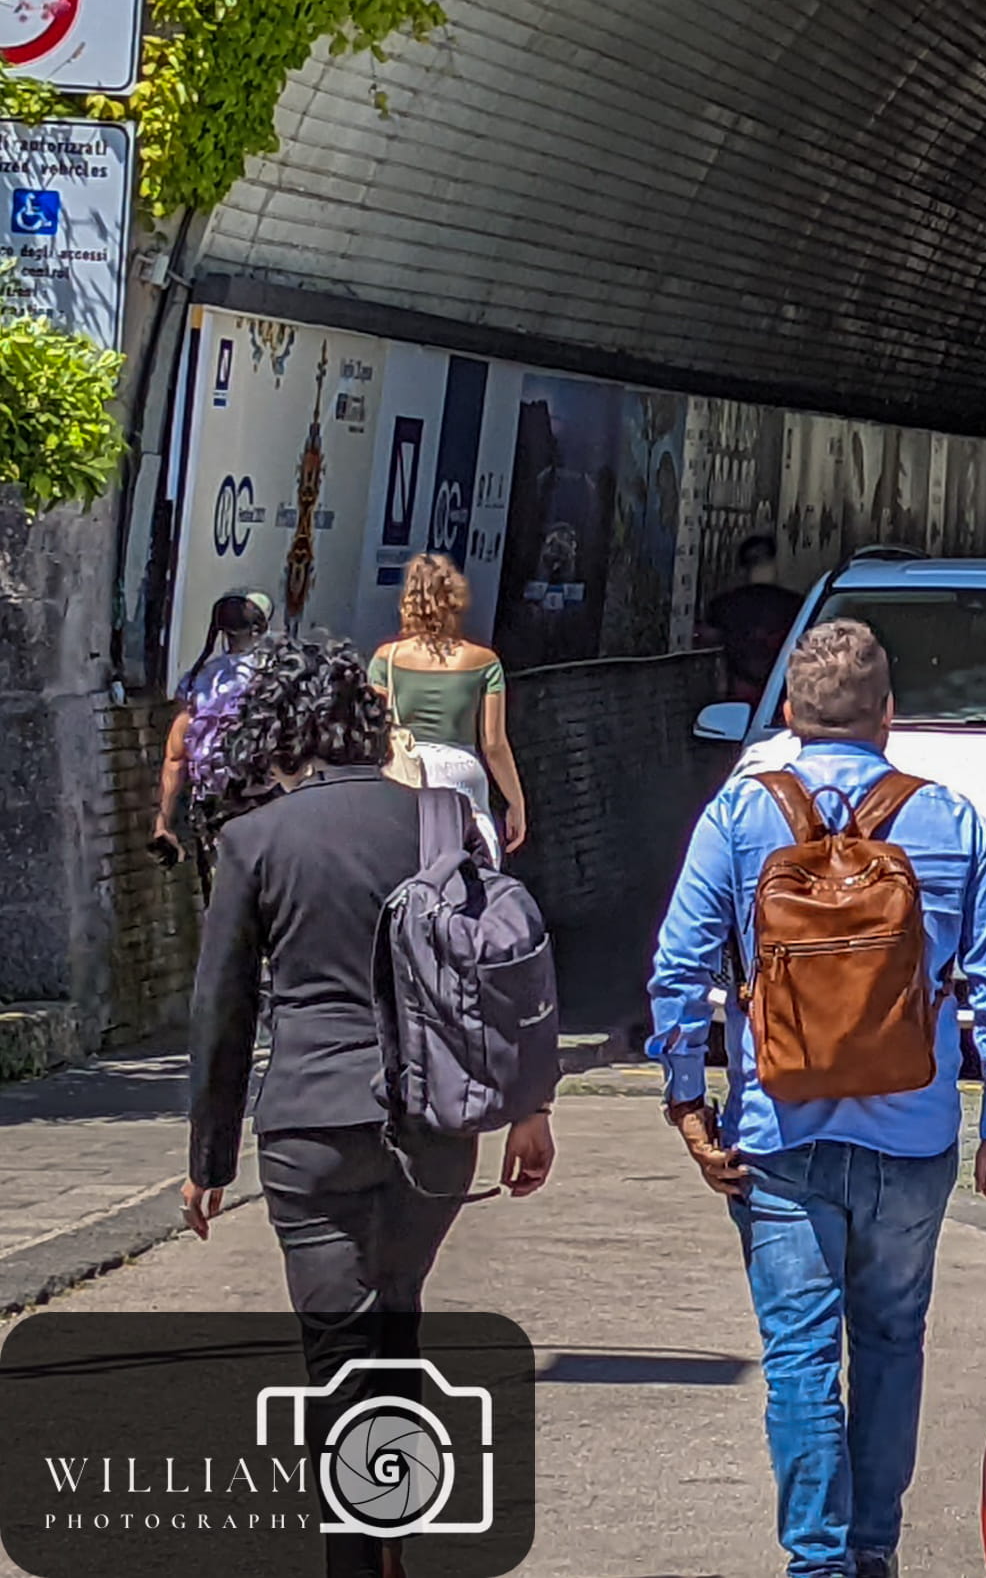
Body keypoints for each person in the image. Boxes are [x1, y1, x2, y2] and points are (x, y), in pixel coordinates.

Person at [651, 618, 986, 1578]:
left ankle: (817, 1563)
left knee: (798, 1358)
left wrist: (686, 1102)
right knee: (893, 1342)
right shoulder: (949, 820)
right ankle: (873, 1550)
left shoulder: (739, 817)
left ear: (788, 712)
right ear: (887, 715)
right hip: (911, 1137)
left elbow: (679, 969)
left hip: (777, 1133)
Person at [185, 638, 560, 1578]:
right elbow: (502, 968)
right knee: (396, 1320)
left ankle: (358, 1556)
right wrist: (528, 1106)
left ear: (278, 732)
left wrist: (208, 1161)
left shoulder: (255, 840)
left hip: (310, 1123)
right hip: (433, 1122)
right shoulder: (444, 822)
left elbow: (221, 1012)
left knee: (336, 1346)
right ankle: (386, 1533)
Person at [368, 551, 529, 853]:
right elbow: (493, 745)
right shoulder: (484, 661)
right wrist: (516, 802)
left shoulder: (384, 659)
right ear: (455, 598)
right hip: (461, 770)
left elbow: (375, 729)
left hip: (404, 770)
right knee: (477, 856)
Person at [151, 587, 269, 868]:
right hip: (265, 803)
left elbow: (176, 757)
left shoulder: (199, 679)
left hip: (213, 807)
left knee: (222, 894)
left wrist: (162, 821)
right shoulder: (276, 674)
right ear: (260, 628)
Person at [703, 533, 804, 707]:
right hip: (785, 695)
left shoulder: (723, 605)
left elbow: (710, 643)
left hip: (738, 697)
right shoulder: (796, 605)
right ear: (774, 563)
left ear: (742, 568)